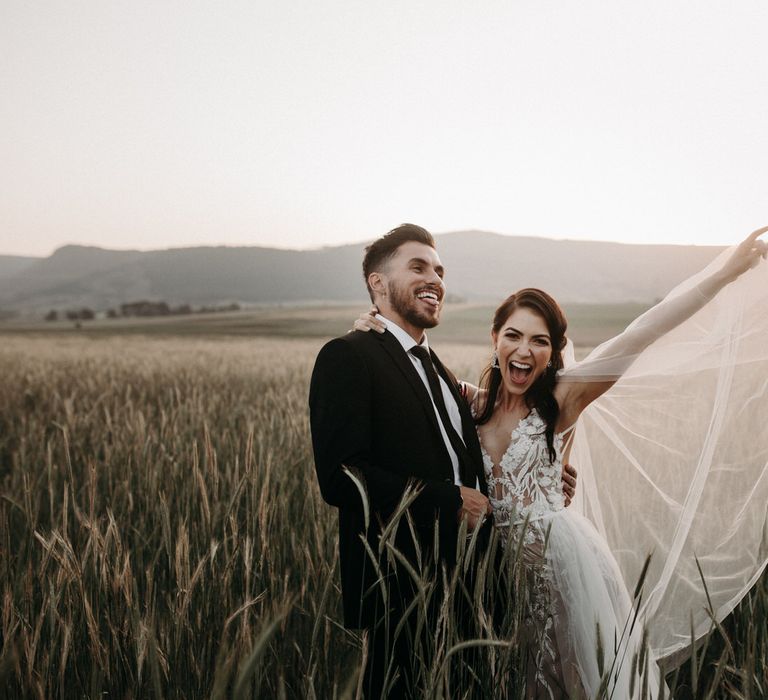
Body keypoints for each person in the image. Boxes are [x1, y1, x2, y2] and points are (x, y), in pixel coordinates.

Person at [354, 226, 768, 697]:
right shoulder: (468, 401)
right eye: (513, 336)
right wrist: (376, 328)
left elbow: (645, 330)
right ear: (495, 338)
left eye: (539, 341)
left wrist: (726, 271)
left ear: (552, 352)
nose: (524, 350)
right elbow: (411, 368)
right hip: (489, 576)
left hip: (559, 570)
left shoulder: (563, 399)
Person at [308, 223, 577, 698]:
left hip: (471, 596)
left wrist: (544, 475)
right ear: (377, 283)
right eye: (417, 267)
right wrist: (447, 500)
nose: (434, 278)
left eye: (439, 269)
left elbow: (477, 449)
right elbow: (340, 477)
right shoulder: (348, 355)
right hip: (402, 595)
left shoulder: (437, 369)